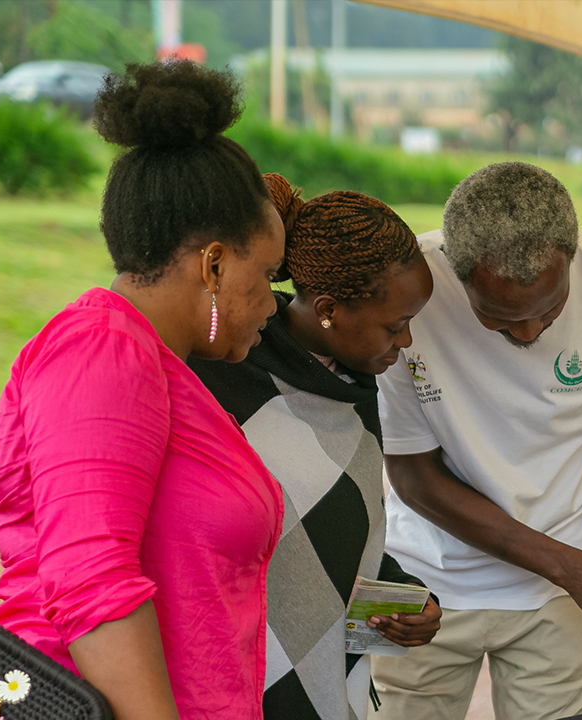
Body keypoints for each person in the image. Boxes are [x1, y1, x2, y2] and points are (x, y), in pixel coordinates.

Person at [0, 62, 285, 719]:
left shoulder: (158, 363)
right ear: (213, 263)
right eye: (265, 274)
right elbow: (91, 578)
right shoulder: (102, 350)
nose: (271, 302)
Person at [371, 162, 582, 720]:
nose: (527, 332)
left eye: (548, 310)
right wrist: (568, 565)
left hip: (568, 600)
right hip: (423, 584)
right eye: (497, 317)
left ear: (572, 256)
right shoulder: (409, 288)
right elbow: (411, 472)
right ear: (455, 272)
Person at [189, 173, 441, 720]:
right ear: (329, 308)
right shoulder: (221, 376)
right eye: (395, 325)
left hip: (331, 681)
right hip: (235, 681)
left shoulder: (354, 386)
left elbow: (332, 520)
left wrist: (399, 593)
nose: (406, 341)